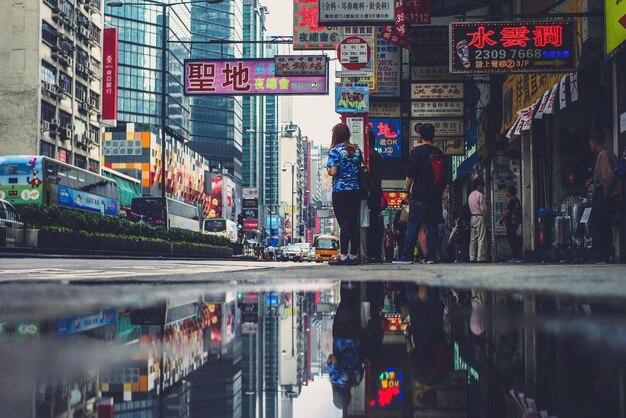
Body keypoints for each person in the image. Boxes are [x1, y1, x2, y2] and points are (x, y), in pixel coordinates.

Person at [394, 123, 447, 264]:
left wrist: (406, 191)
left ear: (420, 136)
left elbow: (410, 174)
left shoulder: (416, 152)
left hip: (419, 195)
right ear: (433, 136)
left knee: (413, 225)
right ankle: (430, 257)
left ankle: (407, 256)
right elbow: (445, 177)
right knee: (433, 226)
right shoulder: (439, 153)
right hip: (435, 196)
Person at [326, 123, 362, 265]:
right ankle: (353, 256)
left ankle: (343, 256)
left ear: (335, 135)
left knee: (344, 224)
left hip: (340, 191)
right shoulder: (356, 149)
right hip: (355, 190)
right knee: (353, 222)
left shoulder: (335, 151)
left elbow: (333, 171)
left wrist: (329, 171)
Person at [585, 132, 623, 263]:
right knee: (605, 224)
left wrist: (606, 195)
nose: (590, 146)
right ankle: (604, 256)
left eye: (590, 143)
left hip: (604, 193)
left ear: (595, 142)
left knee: (595, 223)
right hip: (607, 193)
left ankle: (598, 256)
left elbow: (610, 176)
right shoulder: (607, 154)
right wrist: (594, 179)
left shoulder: (602, 154)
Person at [328, 281, 364, 410]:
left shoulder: (357, 380)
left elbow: (362, 360)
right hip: (341, 335)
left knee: (354, 306)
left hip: (356, 335)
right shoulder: (336, 379)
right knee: (344, 303)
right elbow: (333, 359)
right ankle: (347, 276)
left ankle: (356, 281)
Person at [367, 129, 385, 263]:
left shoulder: (368, 158)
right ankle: (377, 253)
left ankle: (370, 252)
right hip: (377, 194)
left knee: (368, 225)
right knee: (375, 224)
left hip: (368, 194)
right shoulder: (380, 157)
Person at [499, 186, 523, 262]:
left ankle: (516, 256)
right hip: (513, 222)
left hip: (512, 223)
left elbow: (507, 211)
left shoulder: (513, 200)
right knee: (512, 238)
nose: (506, 193)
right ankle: (516, 256)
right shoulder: (515, 200)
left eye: (507, 191)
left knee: (511, 239)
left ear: (510, 192)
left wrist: (502, 219)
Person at [468, 178, 488, 262]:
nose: (482, 187)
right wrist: (485, 214)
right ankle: (481, 257)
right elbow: (483, 208)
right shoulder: (480, 195)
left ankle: (472, 257)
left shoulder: (470, 195)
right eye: (481, 185)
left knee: (473, 239)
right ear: (478, 186)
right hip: (479, 217)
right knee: (481, 238)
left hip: (472, 217)